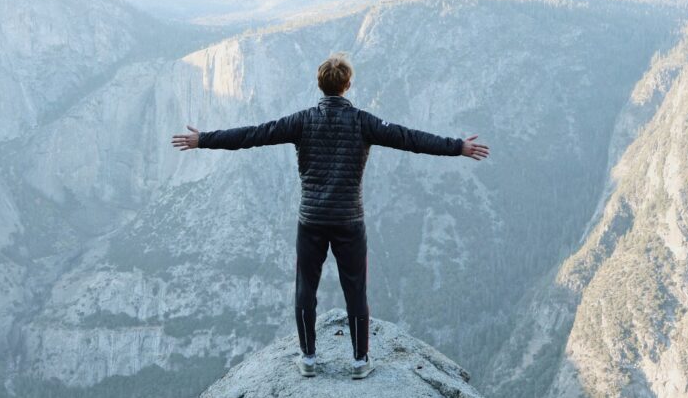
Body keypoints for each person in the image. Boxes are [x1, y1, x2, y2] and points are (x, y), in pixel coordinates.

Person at [171, 53, 489, 379]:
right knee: (355, 290)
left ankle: (308, 359)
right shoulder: (364, 123)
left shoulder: (302, 121)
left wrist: (203, 140)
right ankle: (360, 361)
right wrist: (457, 147)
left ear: (319, 85)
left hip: (311, 220)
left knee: (305, 287)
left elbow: (253, 134)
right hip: (349, 221)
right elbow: (410, 138)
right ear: (348, 85)